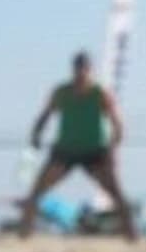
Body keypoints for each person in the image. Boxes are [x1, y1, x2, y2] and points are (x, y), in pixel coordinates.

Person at [19, 52, 135, 239]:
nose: (81, 73)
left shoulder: (100, 93)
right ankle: (24, 235)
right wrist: (36, 135)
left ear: (90, 71)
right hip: (66, 150)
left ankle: (132, 236)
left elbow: (117, 123)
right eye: (77, 69)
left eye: (84, 69)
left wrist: (113, 147)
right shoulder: (61, 92)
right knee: (37, 191)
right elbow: (45, 115)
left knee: (116, 193)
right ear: (73, 70)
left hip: (94, 151)